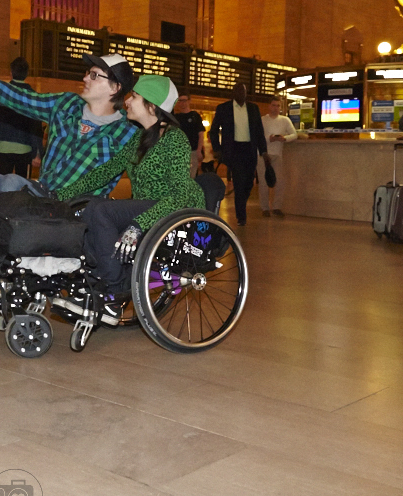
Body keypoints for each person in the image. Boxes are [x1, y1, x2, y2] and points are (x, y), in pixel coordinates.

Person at [53, 75, 206, 324]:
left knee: (102, 212)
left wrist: (139, 223)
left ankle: (114, 294)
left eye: (134, 96)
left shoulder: (175, 139)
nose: (127, 101)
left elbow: (180, 193)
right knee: (90, 208)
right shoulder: (140, 137)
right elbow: (106, 170)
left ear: (152, 105)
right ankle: (98, 281)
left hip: (173, 209)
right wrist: (61, 195)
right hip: (146, 205)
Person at [0, 52, 137, 196]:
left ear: (114, 88)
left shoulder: (127, 134)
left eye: (93, 75)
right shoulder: (66, 104)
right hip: (41, 195)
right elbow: (13, 96)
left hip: (79, 210)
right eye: (87, 73)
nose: (85, 78)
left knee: (10, 184)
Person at [208, 83, 268, 226]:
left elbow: (259, 132)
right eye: (238, 91)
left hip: (250, 150)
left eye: (243, 91)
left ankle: (241, 203)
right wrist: (217, 149)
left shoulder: (253, 109)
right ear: (233, 93)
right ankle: (241, 216)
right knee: (239, 183)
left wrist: (264, 151)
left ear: (246, 93)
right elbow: (213, 130)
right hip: (234, 150)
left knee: (248, 183)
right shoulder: (224, 108)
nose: (241, 94)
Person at [0, 57, 44, 179]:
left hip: (1, 148)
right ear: (27, 74)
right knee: (22, 187)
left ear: (11, 73)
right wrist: (38, 153)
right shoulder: (32, 96)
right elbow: (36, 127)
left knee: (2, 186)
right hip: (24, 149)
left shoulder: (0, 94)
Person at [257, 96, 297, 217]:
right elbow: (257, 137)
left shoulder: (285, 120)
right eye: (273, 105)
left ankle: (277, 207)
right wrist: (269, 138)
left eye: (278, 106)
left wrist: (284, 138)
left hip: (277, 155)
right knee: (263, 182)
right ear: (269, 106)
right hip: (263, 155)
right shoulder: (262, 120)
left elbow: (294, 134)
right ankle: (264, 208)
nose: (276, 108)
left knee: (279, 182)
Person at [172, 93, 205, 177]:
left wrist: (199, 150)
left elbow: (201, 134)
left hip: (193, 151)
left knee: (191, 176)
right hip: (179, 152)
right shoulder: (175, 118)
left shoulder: (195, 116)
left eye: (184, 100)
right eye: (180, 101)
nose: (182, 103)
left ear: (189, 101)